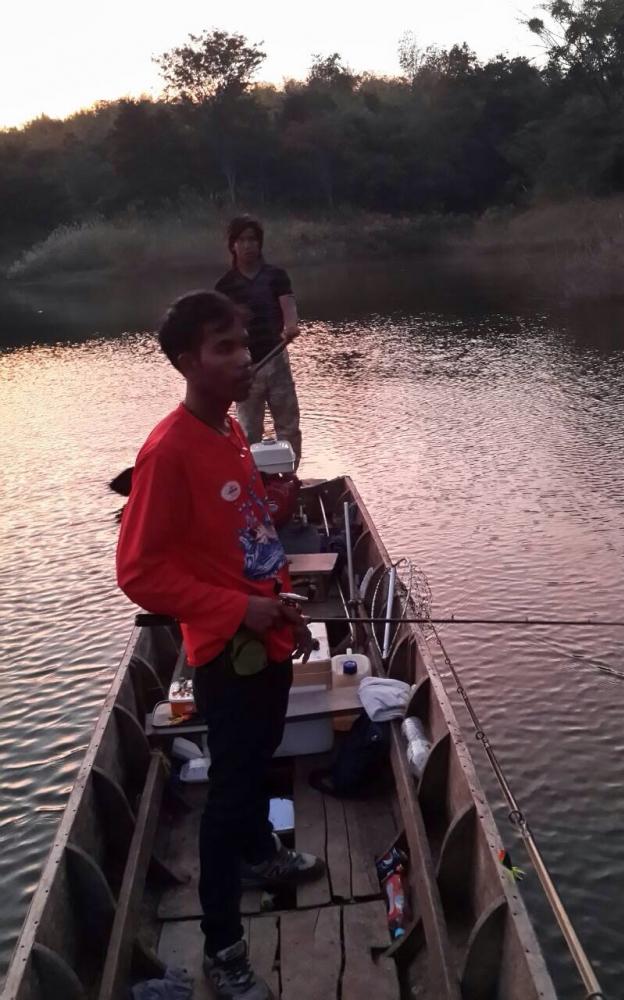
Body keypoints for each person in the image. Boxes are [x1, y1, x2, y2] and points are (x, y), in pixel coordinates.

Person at [116, 290, 324, 1000]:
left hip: (266, 636)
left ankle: (262, 856)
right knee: (230, 795)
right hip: (226, 655)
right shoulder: (167, 451)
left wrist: (273, 509)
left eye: (243, 343)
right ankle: (224, 945)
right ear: (187, 362)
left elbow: (231, 532)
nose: (244, 358)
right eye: (224, 348)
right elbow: (140, 572)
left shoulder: (229, 433)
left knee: (258, 759)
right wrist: (241, 608)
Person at [215, 216, 302, 468]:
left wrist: (290, 326)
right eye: (241, 240)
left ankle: (290, 477)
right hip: (246, 367)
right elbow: (221, 328)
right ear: (233, 245)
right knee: (249, 430)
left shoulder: (276, 276)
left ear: (259, 243)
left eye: (252, 239)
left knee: (288, 425)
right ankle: (252, 480)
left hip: (277, 360)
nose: (248, 245)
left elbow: (288, 305)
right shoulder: (225, 286)